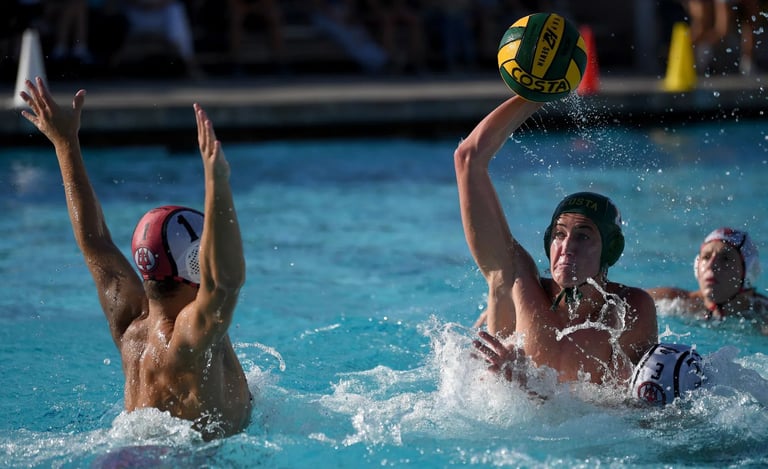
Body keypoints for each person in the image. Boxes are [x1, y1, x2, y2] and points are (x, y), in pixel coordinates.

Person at [19, 77, 251, 440]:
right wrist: (216, 182)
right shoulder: (189, 338)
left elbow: (94, 239)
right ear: (193, 264)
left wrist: (65, 143)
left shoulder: (130, 324)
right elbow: (226, 282)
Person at [454, 95, 658, 386]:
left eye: (583, 235)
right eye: (559, 234)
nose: (567, 247)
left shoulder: (629, 310)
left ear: (610, 249)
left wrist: (530, 389)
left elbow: (632, 412)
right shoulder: (514, 283)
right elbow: (468, 158)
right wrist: (534, 96)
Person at [647, 227, 768, 333]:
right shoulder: (674, 301)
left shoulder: (763, 315)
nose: (711, 265)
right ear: (697, 265)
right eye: (706, 257)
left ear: (748, 271)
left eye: (725, 258)